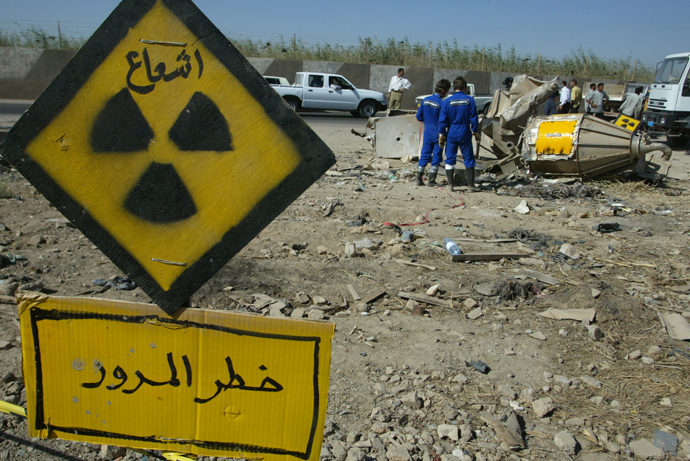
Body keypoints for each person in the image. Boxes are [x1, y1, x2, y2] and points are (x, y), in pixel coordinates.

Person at [438, 76, 479, 192]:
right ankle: (471, 186)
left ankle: (450, 186)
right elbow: (474, 118)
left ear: (454, 88)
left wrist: (442, 134)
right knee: (469, 158)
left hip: (451, 132)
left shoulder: (447, 102)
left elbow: (442, 120)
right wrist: (475, 131)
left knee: (449, 158)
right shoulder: (470, 100)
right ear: (464, 88)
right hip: (465, 131)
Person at [415, 79, 451, 186]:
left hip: (428, 132)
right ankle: (431, 180)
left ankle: (419, 179)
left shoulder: (425, 100)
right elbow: (445, 120)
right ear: (444, 91)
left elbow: (418, 116)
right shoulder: (442, 103)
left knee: (424, 154)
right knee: (437, 156)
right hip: (439, 133)